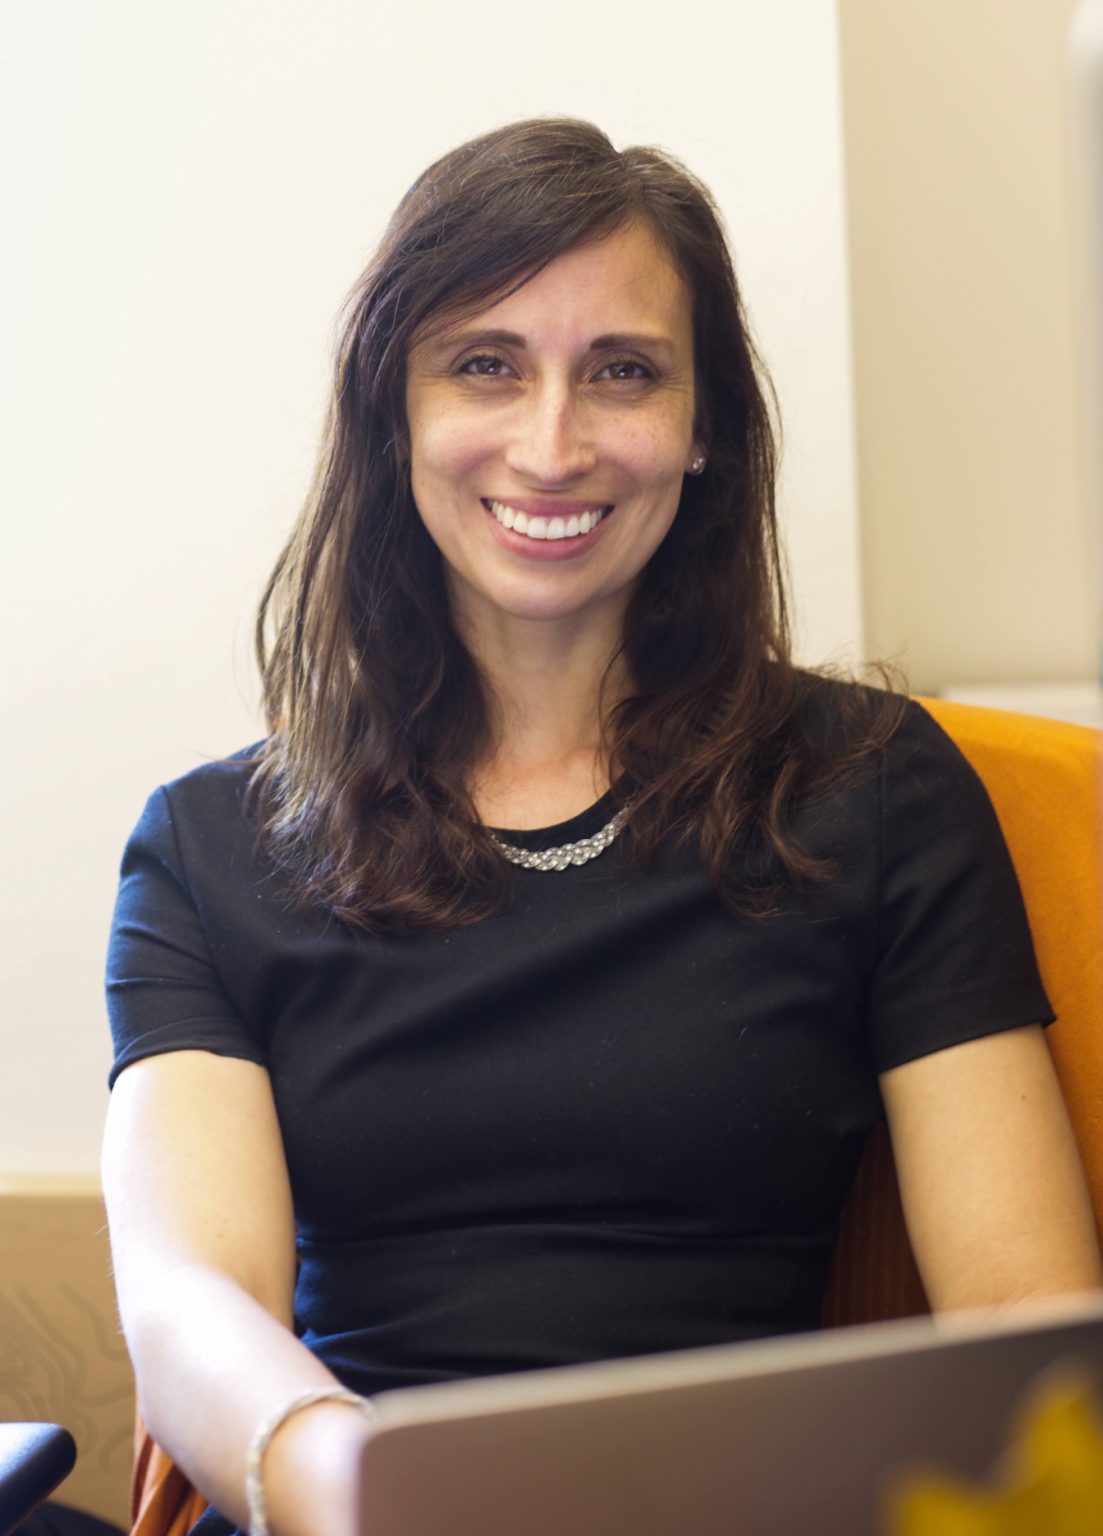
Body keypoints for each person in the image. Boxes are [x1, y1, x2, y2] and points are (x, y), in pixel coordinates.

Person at [102, 117, 1102, 1536]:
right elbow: (194, 1302)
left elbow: (1030, 1320)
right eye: (486, 365)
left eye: (621, 372)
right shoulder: (208, 849)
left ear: (704, 433)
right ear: (396, 413)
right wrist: (363, 1492)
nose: (553, 443)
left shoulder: (875, 788)